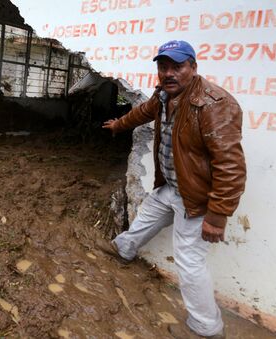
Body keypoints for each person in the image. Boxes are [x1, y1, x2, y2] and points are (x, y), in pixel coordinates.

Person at [100, 40, 246, 338]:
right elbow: (143, 112)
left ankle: (206, 328)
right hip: (172, 186)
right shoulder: (165, 95)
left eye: (177, 66)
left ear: (193, 67)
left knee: (189, 260)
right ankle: (124, 249)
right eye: (163, 67)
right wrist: (119, 125)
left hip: (197, 197)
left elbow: (231, 166)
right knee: (149, 214)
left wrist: (217, 216)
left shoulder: (214, 105)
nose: (169, 73)